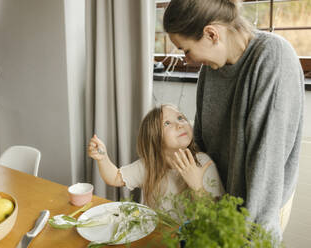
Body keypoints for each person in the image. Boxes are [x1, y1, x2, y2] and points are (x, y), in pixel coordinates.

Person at [163, 0, 304, 240]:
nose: (187, 60)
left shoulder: (272, 59)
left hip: (258, 210)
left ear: (211, 34)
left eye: (185, 50)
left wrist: (247, 238)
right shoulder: (211, 69)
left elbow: (265, 169)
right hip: (220, 204)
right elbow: (202, 142)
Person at [87, 104, 225, 209]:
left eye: (180, 118)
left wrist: (197, 186)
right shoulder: (149, 165)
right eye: (167, 123)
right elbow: (115, 178)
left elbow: (215, 213)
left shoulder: (202, 163)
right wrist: (103, 158)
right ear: (154, 139)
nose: (179, 125)